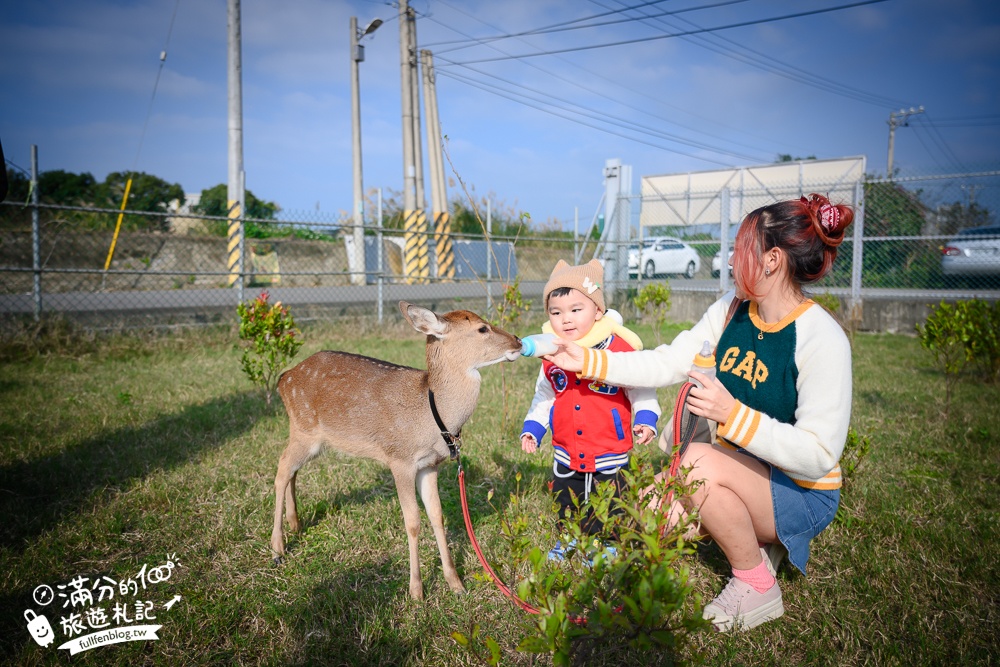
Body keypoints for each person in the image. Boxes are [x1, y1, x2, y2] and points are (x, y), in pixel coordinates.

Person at [542, 194, 854, 630]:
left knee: (694, 466)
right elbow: (668, 361)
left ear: (772, 260)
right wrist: (589, 360)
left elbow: (819, 455)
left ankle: (757, 583)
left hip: (802, 491)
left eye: (740, 249)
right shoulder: (732, 309)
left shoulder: (823, 337)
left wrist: (732, 414)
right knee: (646, 516)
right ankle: (753, 536)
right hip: (738, 468)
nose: (729, 259)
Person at [520, 259, 660, 559]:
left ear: (598, 311)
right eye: (556, 312)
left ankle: (607, 542)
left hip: (608, 445)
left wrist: (646, 418)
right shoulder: (551, 354)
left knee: (609, 496)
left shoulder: (618, 350)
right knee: (566, 496)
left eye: (576, 310)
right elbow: (544, 396)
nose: (565, 320)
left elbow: (642, 386)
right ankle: (569, 537)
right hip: (567, 447)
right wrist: (533, 428)